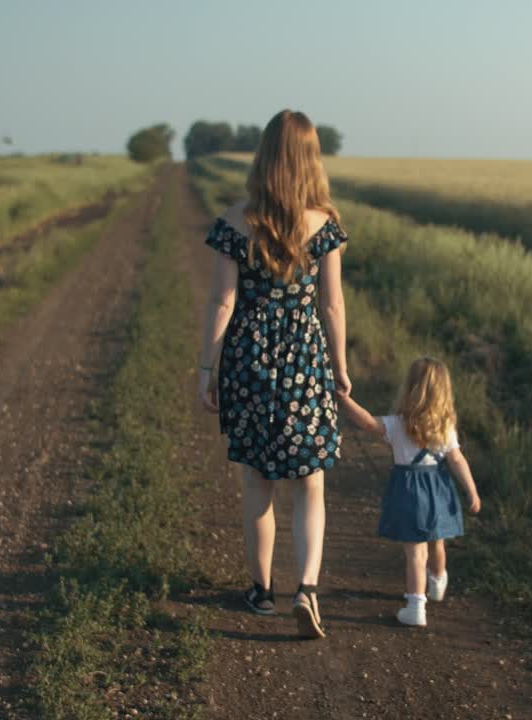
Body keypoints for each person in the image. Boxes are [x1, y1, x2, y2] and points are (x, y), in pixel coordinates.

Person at [198, 109, 351, 639]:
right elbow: (331, 305)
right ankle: (307, 587)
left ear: (263, 157)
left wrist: (205, 369)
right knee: (311, 485)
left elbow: (222, 301)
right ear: (310, 159)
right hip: (305, 361)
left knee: (257, 483)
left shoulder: (234, 221)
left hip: (248, 362)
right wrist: (341, 367)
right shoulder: (324, 225)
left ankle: (261, 592)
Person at [338, 358, 480, 627]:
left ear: (410, 389)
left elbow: (368, 423)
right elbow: (457, 461)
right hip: (438, 489)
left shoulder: (397, 424)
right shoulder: (445, 428)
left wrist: (345, 401)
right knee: (437, 541)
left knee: (415, 553)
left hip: (408, 492)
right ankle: (437, 580)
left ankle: (416, 606)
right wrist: (471, 491)